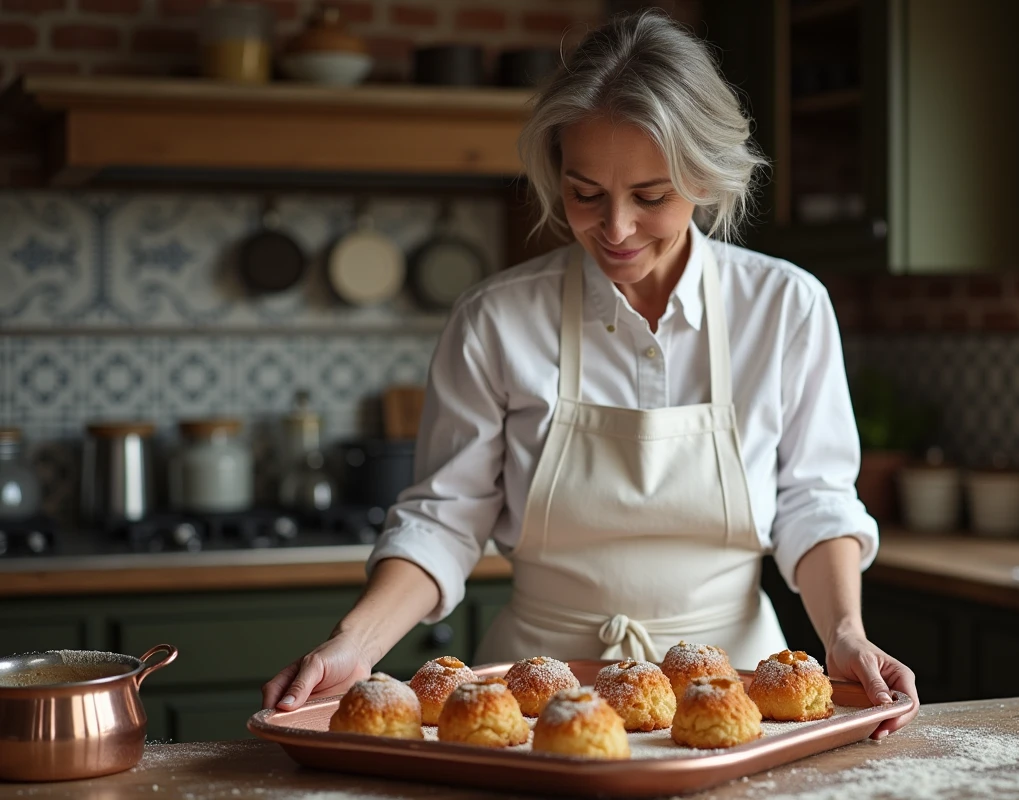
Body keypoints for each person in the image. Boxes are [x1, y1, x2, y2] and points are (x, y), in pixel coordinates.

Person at [263, 10, 918, 739]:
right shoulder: (496, 319)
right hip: (534, 703)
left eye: (651, 196)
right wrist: (356, 641)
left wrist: (846, 635)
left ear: (707, 177)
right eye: (584, 193)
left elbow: (814, 503)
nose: (615, 229)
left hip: (736, 697)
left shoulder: (785, 307)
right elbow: (446, 518)